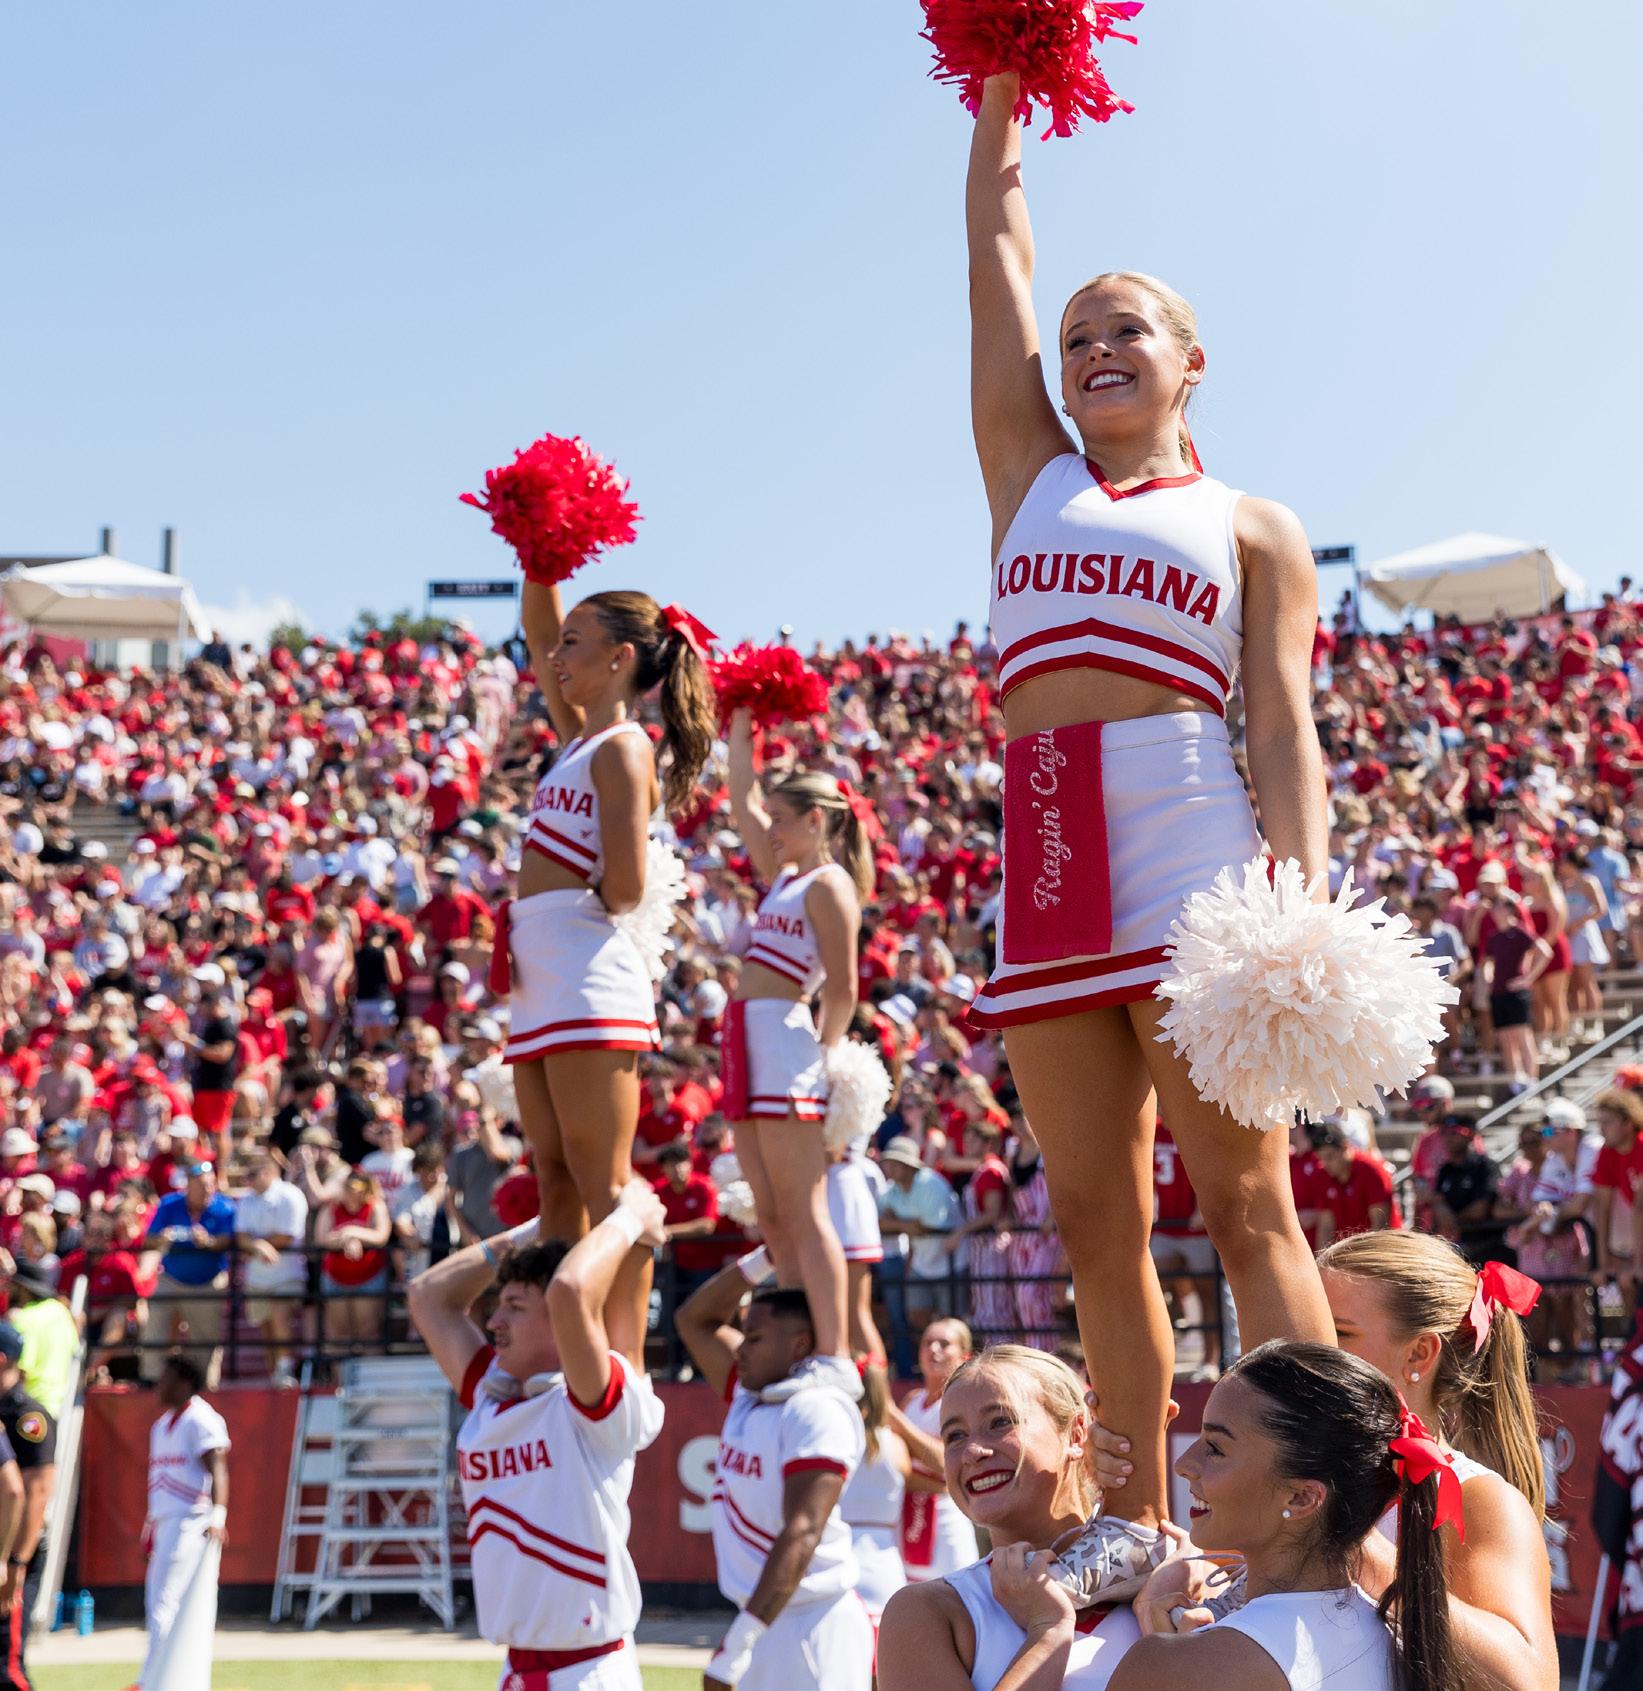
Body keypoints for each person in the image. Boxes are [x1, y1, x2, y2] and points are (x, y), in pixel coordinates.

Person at [958, 70, 1333, 1597]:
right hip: (1043, 843)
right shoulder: (1026, 469)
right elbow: (993, 256)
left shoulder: (1250, 521)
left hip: (1190, 835)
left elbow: (1282, 725)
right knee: (1092, 1220)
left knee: (1243, 1199)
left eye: (1124, 329)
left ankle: (1328, 1495)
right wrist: (1000, 85)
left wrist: (1298, 902)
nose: (1093, 349)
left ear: (1188, 360)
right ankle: (1137, 1512)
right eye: (1075, 339)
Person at [1094, 1228, 1557, 1691]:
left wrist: (1347, 1538)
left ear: (1419, 1354)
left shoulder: (1477, 1495)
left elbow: (1527, 1680)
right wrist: (1193, 1570)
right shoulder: (1294, 1466)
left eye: (1339, 1332)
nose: (1315, 1347)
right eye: (1309, 1324)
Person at [504, 582, 714, 1367]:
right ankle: (562, 1355)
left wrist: (561, 912)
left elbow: (625, 885)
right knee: (553, 1174)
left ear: (621, 657)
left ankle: (625, 1364)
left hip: (586, 973)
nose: (555, 656)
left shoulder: (623, 746)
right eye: (559, 643)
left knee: (607, 1184)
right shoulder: (578, 740)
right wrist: (537, 553)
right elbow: (535, 626)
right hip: (540, 975)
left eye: (574, 642)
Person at [407, 1178, 667, 1691]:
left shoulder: (584, 1403)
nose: (494, 1321)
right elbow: (427, 1295)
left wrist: (631, 1217)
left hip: (589, 1671)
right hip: (516, 1669)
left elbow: (571, 1291)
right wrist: (530, 1232)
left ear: (562, 1324)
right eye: (499, 1305)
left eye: (516, 1307)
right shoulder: (491, 1394)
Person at [1101, 1342, 1457, 1691]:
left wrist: (1173, 1662)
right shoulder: (1406, 1648)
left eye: (1215, 1448)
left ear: (1302, 1498)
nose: (1184, 1464)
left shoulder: (1176, 1665)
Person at [724, 708, 872, 1395]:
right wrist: (740, 723)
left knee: (806, 1211)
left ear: (816, 820)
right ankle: (796, 1344)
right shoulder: (784, 876)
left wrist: (824, 1056)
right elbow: (741, 798)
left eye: (784, 820)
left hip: (786, 1041)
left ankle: (834, 1355)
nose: (772, 830)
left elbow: (843, 988)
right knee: (772, 1214)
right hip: (745, 1039)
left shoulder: (828, 884)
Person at [879, 1345, 1141, 1691]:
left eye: (1000, 1422)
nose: (972, 1452)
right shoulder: (928, 1612)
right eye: (955, 1436)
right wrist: (1047, 1631)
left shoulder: (1164, 1582)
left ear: (1076, 1433)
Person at [675, 1262, 873, 1691]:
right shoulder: (751, 1395)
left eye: (755, 1338)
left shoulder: (817, 1407)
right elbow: (692, 1319)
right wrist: (768, 1253)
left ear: (800, 1345)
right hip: (765, 1617)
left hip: (811, 1624)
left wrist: (739, 1645)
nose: (741, 1349)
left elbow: (803, 1530)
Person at [138, 1353, 228, 1691]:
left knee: (169, 1603)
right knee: (157, 1602)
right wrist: (150, 1529)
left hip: (191, 1521)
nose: (159, 1384)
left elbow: (218, 1469)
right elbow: (159, 1481)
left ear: (185, 1382)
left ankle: (158, 1679)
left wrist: (218, 1515)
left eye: (166, 1377)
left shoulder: (201, 1418)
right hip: (165, 1522)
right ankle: (157, 1676)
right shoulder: (161, 1425)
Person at [890, 1318, 982, 1584]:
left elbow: (946, 1463)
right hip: (907, 1515)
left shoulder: (964, 1404)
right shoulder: (912, 1400)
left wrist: (898, 1422)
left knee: (956, 1593)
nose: (933, 1350)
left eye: (944, 1344)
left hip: (946, 1520)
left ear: (964, 1355)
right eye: (927, 1342)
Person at [140, 1163, 235, 1388]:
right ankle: (151, 1378)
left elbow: (229, 1241)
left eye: (211, 1184)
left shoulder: (224, 1207)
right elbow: (149, 1240)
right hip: (171, 1278)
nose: (207, 1190)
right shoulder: (169, 1204)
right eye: (202, 1185)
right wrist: (162, 1238)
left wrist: (209, 1242)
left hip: (208, 1281)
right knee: (154, 1324)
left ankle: (205, 1386)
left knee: (205, 1338)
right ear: (188, 1186)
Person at [0, 1321, 55, 1691]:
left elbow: (36, 1491)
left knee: (7, 1665)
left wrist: (16, 1562)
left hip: (13, 1554)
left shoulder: (27, 1416)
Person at [878, 1136, 963, 1370]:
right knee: (916, 1316)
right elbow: (882, 1221)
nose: (889, 1167)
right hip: (921, 1262)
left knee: (951, 1322)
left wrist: (898, 1223)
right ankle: (932, 1365)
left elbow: (930, 1227)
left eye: (895, 1162)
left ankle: (954, 1368)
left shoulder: (930, 1184)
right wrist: (905, 1225)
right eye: (888, 1162)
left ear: (908, 1165)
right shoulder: (893, 1189)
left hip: (949, 1260)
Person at [840, 1367, 910, 1635]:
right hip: (883, 1561)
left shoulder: (838, 1442)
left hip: (840, 1553)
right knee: (886, 1648)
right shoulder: (897, 1445)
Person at [232, 1151, 310, 1384]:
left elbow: (288, 1235)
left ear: (267, 1173)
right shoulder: (247, 1200)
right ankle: (275, 1376)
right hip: (257, 1277)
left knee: (280, 1315)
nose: (246, 1180)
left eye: (251, 1175)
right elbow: (241, 1236)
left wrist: (257, 1245)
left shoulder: (290, 1195)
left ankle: (285, 1371)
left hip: (288, 1273)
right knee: (265, 1326)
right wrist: (258, 1246)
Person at [314, 1170, 392, 1350]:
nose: (353, 1193)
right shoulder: (331, 1208)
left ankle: (369, 1369)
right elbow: (321, 1239)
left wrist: (352, 1233)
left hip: (369, 1276)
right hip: (336, 1277)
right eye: (348, 1188)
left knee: (369, 1333)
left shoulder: (376, 1206)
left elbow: (381, 1236)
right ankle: (341, 1370)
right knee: (340, 1334)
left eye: (358, 1188)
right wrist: (347, 1240)